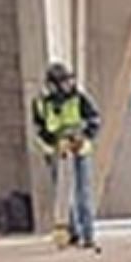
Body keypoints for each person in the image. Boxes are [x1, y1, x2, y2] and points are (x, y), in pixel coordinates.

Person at [30, 62, 101, 251]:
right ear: (53, 85)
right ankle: (72, 233)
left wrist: (82, 137)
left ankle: (88, 236)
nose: (69, 85)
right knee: (63, 197)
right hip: (56, 152)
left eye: (70, 81)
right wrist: (56, 143)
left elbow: (94, 120)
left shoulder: (79, 98)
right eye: (64, 82)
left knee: (82, 193)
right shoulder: (41, 103)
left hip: (79, 150)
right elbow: (40, 130)